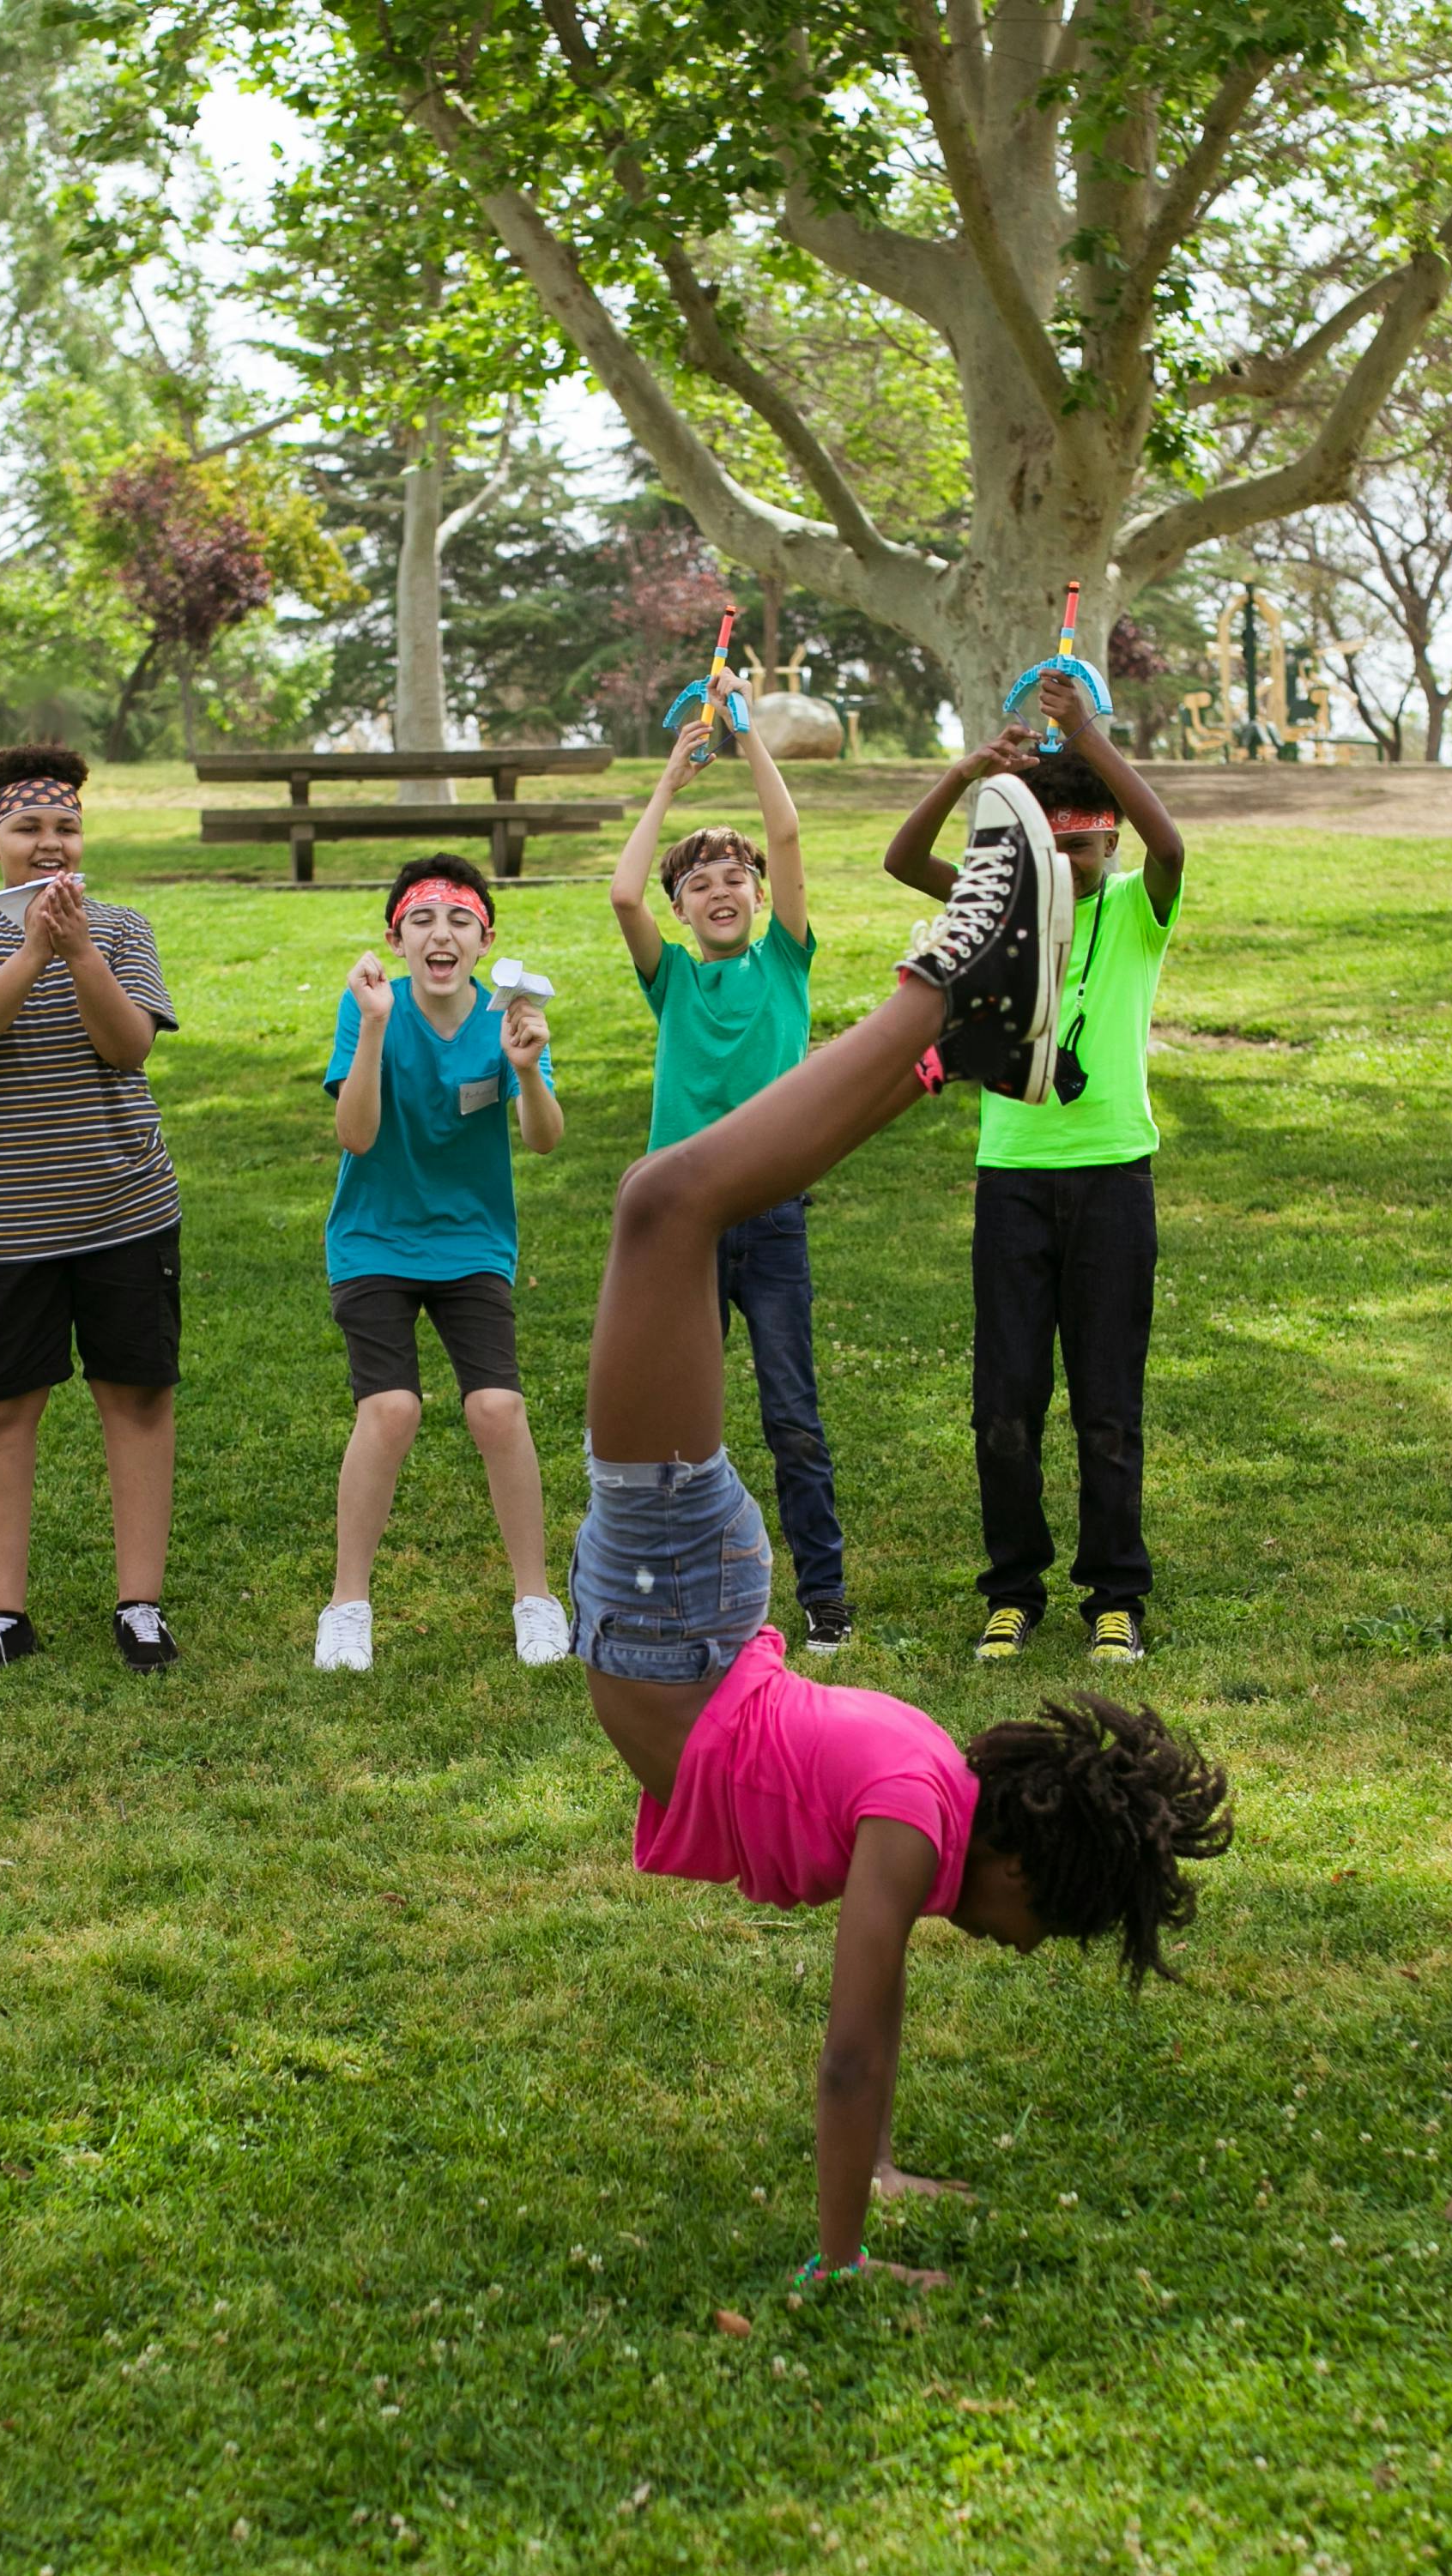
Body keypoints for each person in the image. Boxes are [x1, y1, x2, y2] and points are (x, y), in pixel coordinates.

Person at [572, 778, 1231, 2285]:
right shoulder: (915, 1824)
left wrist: (877, 2164)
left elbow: (873, 2040)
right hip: (679, 1610)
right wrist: (845, 2252)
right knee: (665, 1205)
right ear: (1016, 1868)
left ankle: (949, 1044)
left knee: (680, 1203)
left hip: (704, 1613)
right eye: (1037, 1931)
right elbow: (855, 2046)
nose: (1011, 1950)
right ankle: (944, 982)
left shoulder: (929, 1787)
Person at [886, 672, 1188, 1668]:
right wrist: (970, 775)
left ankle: (1116, 1597)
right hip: (1012, 1179)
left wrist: (1087, 736)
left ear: (1112, 843)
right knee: (1003, 1404)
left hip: (1114, 1182)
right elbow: (903, 860)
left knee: (1108, 1404)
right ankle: (1012, 1591)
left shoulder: (1139, 913)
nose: (1074, 859)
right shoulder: (1005, 913)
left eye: (1090, 843)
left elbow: (1172, 844)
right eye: (1055, 848)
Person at [0, 745, 185, 1672]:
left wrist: (78, 952)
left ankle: (140, 1604)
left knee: (138, 1395)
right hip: (2, 1221)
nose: (48, 843)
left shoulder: (123, 927)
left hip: (124, 1208)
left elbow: (128, 1048)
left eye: (64, 826)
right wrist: (34, 948)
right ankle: (2, 1614)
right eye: (28, 827)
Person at [608, 704, 856, 1650]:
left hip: (773, 1216)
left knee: (792, 1413)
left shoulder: (785, 964)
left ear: (758, 896)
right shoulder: (669, 979)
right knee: (678, 1425)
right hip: (683, 1229)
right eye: (701, 882)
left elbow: (787, 831)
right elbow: (624, 895)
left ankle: (824, 1597)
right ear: (683, 910)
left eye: (735, 878)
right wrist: (672, 776)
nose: (721, 890)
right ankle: (678, 1596)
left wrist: (749, 739)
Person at [316, 856, 571, 1672]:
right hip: (374, 1239)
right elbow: (354, 1136)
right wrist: (378, 1027)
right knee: (389, 1411)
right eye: (423, 919)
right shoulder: (369, 1008)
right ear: (396, 936)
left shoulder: (509, 1019)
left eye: (460, 920)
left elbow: (544, 1139)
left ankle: (536, 1597)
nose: (441, 934)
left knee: (498, 1407)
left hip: (470, 1242)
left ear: (485, 940)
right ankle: (347, 1604)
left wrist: (527, 1070)